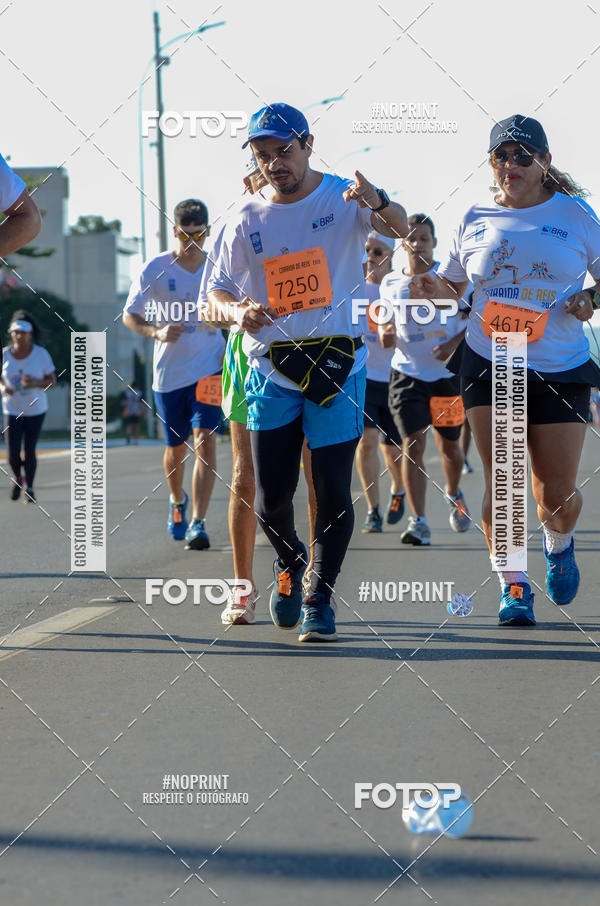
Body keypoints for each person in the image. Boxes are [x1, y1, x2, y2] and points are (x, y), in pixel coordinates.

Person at [207, 102, 408, 641]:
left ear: (308, 144)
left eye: (284, 152)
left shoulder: (342, 196)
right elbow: (216, 294)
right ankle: (290, 562)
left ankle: (321, 592)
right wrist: (237, 311)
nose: (275, 164)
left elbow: (401, 228)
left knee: (332, 488)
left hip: (340, 364)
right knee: (272, 496)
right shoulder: (244, 216)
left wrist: (378, 200)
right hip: (270, 367)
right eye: (264, 154)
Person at [411, 114, 600, 625]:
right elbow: (453, 285)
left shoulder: (577, 214)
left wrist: (590, 296)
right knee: (506, 482)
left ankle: (558, 543)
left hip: (560, 367)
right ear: (490, 163)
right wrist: (434, 289)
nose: (511, 165)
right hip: (491, 360)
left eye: (523, 156)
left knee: (555, 494)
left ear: (545, 163)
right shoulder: (472, 216)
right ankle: (513, 584)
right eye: (501, 156)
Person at [200, 166, 317, 626]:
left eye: (277, 157)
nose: (267, 173)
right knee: (247, 477)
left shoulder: (316, 216)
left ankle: (308, 581)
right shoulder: (239, 225)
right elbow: (208, 308)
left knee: (313, 472)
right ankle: (243, 587)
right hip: (253, 361)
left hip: (315, 356)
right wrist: (237, 314)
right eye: (257, 164)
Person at [123, 199, 225, 549]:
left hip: (211, 370)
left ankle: (198, 521)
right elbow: (130, 315)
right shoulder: (156, 269)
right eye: (185, 235)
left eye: (199, 234)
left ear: (207, 230)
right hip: (169, 375)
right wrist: (157, 332)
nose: (193, 242)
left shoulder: (218, 266)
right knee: (176, 449)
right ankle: (176, 500)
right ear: (174, 231)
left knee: (206, 443)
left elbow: (236, 310)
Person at [379, 213, 471, 546]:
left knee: (449, 447)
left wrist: (451, 344)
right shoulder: (390, 282)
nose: (417, 244)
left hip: (445, 379)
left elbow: (473, 320)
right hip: (407, 375)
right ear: (404, 244)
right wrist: (386, 331)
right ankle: (418, 522)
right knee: (412, 445)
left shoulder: (450, 280)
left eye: (424, 239)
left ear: (434, 243)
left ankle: (453, 492)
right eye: (412, 239)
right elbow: (385, 321)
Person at [356, 231, 405, 533]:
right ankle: (373, 509)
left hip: (396, 378)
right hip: (363, 376)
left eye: (378, 251)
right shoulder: (353, 288)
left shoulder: (399, 287)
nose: (371, 257)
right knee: (367, 443)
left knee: (394, 449)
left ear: (390, 256)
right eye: (367, 251)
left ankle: (398, 489)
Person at [0, 310, 56, 502]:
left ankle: (30, 488)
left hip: (35, 409)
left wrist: (32, 383)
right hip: (12, 409)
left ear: (30, 334)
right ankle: (17, 477)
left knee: (29, 448)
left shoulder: (41, 354)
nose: (19, 336)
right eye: (16, 332)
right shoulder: (5, 355)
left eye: (23, 332)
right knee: (12, 452)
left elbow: (51, 381)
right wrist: (3, 387)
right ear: (11, 333)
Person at [121, 380, 142, 444]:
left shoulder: (127, 393)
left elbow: (123, 402)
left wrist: (124, 410)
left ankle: (128, 436)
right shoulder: (139, 393)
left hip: (129, 411)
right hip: (136, 411)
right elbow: (142, 403)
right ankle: (136, 439)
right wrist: (142, 411)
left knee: (129, 425)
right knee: (136, 425)